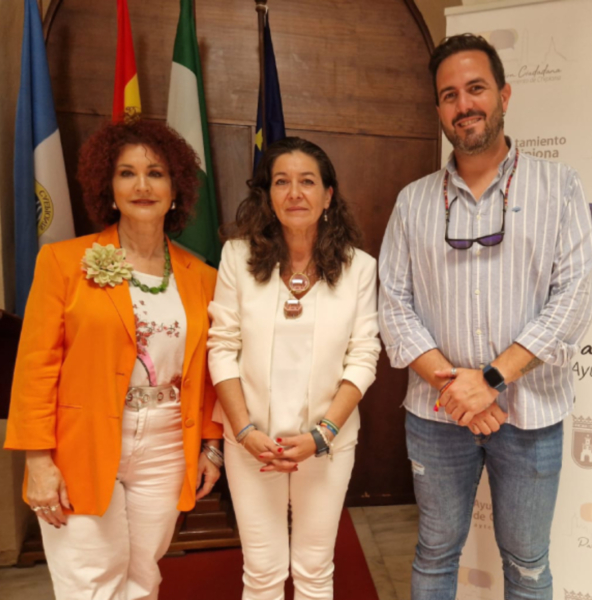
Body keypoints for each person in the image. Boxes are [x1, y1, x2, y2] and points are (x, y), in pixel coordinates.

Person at [378, 34, 592, 600]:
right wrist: (457, 389)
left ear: (503, 94)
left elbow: (573, 299)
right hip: (435, 415)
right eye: (448, 95)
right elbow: (393, 305)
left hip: (531, 415)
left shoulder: (559, 186)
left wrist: (491, 380)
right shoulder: (413, 201)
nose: (463, 104)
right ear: (439, 111)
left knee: (526, 565)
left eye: (475, 88)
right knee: (433, 553)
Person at [4, 119, 223, 600]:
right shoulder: (64, 262)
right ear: (109, 184)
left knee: (144, 575)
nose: (142, 185)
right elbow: (35, 367)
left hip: (167, 444)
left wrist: (211, 446)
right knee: (89, 582)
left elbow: (208, 372)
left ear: (176, 187)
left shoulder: (202, 276)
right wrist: (37, 459)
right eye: (127, 173)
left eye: (156, 173)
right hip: (81, 443)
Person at [207, 136, 380, 600]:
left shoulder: (359, 268)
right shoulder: (237, 258)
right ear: (267, 195)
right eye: (281, 182)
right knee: (262, 571)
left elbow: (364, 356)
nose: (294, 192)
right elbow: (221, 347)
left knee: (314, 569)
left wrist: (322, 434)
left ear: (328, 196)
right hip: (251, 442)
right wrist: (243, 432)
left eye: (307, 181)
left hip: (326, 441)